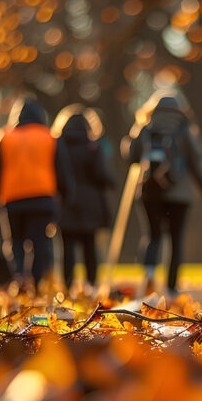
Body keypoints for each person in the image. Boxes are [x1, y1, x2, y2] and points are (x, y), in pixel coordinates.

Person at [124, 91, 202, 297]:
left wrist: (134, 135)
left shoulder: (146, 127)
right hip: (180, 195)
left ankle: (149, 279)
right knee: (176, 240)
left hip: (150, 192)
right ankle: (171, 287)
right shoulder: (184, 130)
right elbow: (199, 165)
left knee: (152, 235)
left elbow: (132, 156)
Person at [0, 98, 74, 292]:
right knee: (39, 242)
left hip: (12, 198)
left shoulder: (4, 137)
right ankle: (36, 280)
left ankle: (19, 277)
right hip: (42, 198)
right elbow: (62, 171)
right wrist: (66, 197)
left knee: (14, 242)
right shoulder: (50, 137)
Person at [53, 104, 116, 295]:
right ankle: (91, 285)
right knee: (90, 248)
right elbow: (102, 175)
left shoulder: (58, 147)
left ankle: (68, 286)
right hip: (91, 204)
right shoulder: (93, 147)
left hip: (66, 203)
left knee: (68, 249)